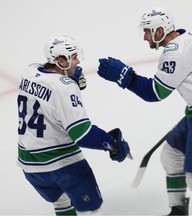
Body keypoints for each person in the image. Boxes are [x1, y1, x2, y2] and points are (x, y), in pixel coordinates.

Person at [96, 8, 192, 216]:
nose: (145, 37)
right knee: (171, 155)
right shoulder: (188, 35)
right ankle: (178, 210)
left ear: (161, 30)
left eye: (148, 32)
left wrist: (126, 78)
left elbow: (155, 93)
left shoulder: (174, 53)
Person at [17, 35, 131, 215]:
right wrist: (112, 144)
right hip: (62, 164)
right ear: (60, 60)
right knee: (91, 210)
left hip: (30, 165)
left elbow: (47, 97)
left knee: (62, 203)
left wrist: (71, 82)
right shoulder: (64, 88)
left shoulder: (29, 71)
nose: (77, 61)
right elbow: (82, 134)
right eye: (73, 57)